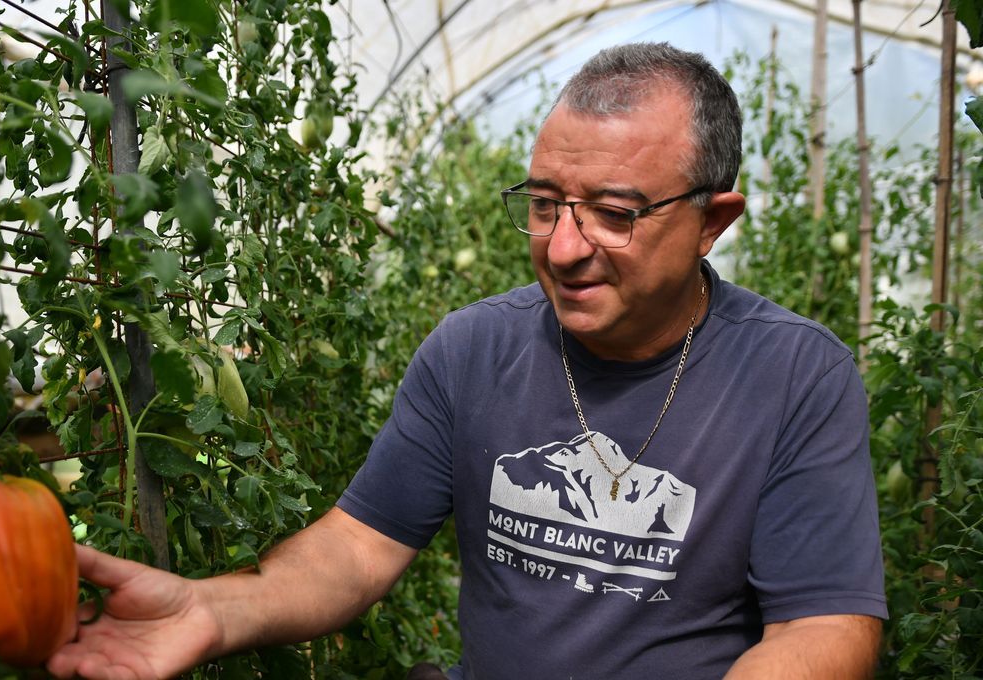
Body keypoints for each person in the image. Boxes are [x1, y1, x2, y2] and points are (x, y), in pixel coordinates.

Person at [46, 42, 887, 680]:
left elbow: (825, 627)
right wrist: (208, 606)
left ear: (713, 220)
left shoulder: (793, 377)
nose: (563, 248)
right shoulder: (474, 349)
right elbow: (355, 550)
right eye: (545, 204)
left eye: (613, 214)